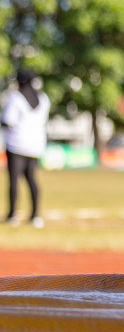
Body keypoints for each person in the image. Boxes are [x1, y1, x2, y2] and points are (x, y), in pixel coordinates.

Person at [3, 70, 50, 227]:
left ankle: (12, 215)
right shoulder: (43, 99)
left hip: (16, 144)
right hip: (35, 145)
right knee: (31, 178)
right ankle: (36, 215)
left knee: (14, 179)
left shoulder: (15, 98)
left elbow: (8, 120)